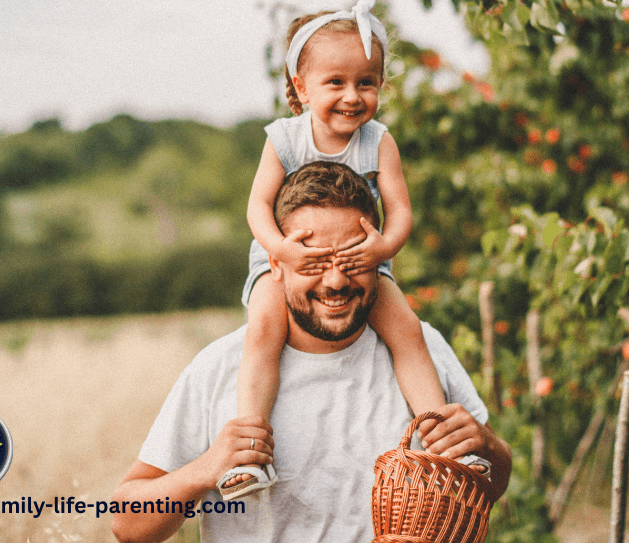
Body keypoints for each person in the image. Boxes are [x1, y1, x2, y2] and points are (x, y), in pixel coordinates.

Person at [110, 161, 511, 543]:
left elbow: (493, 484)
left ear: (380, 255)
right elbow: (127, 526)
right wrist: (202, 471)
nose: (335, 281)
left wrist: (487, 447)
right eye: (314, 264)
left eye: (353, 260)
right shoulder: (220, 367)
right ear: (275, 262)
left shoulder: (423, 350)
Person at [221, 0, 461, 500]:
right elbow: (257, 206)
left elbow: (400, 210)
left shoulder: (379, 141)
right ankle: (250, 452)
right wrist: (281, 251)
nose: (353, 96)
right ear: (301, 87)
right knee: (263, 331)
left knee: (408, 334)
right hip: (287, 261)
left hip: (362, 262)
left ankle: (440, 441)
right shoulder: (284, 137)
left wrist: (384, 247)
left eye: (367, 82)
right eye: (336, 82)